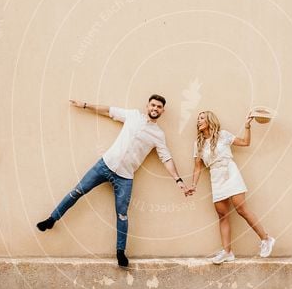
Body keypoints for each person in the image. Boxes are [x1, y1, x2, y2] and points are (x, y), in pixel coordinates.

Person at [36, 95, 191, 267]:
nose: (155, 108)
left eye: (159, 107)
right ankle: (51, 220)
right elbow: (109, 111)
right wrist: (84, 105)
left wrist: (178, 180)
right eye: (153, 105)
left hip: (125, 177)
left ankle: (120, 253)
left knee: (122, 215)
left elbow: (166, 158)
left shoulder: (158, 135)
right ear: (147, 105)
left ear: (163, 110)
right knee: (77, 191)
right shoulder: (132, 116)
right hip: (104, 165)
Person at [189, 110, 275, 264]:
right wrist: (193, 185)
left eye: (201, 118)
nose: (198, 121)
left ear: (209, 120)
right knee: (222, 215)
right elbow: (197, 167)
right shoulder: (198, 144)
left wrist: (247, 127)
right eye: (198, 119)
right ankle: (227, 252)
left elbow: (245, 142)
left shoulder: (223, 135)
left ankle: (266, 239)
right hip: (215, 176)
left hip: (229, 171)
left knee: (241, 209)